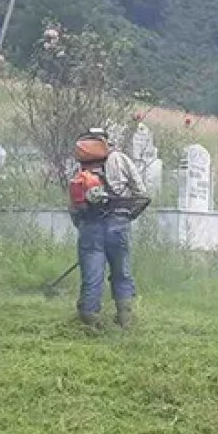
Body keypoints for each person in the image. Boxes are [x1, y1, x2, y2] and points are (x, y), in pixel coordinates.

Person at [69, 128, 149, 329]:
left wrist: (82, 225)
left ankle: (89, 320)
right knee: (121, 272)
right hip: (118, 225)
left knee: (92, 274)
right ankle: (125, 318)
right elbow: (141, 194)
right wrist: (128, 215)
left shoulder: (79, 167)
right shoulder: (120, 159)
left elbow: (73, 204)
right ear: (107, 141)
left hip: (89, 227)